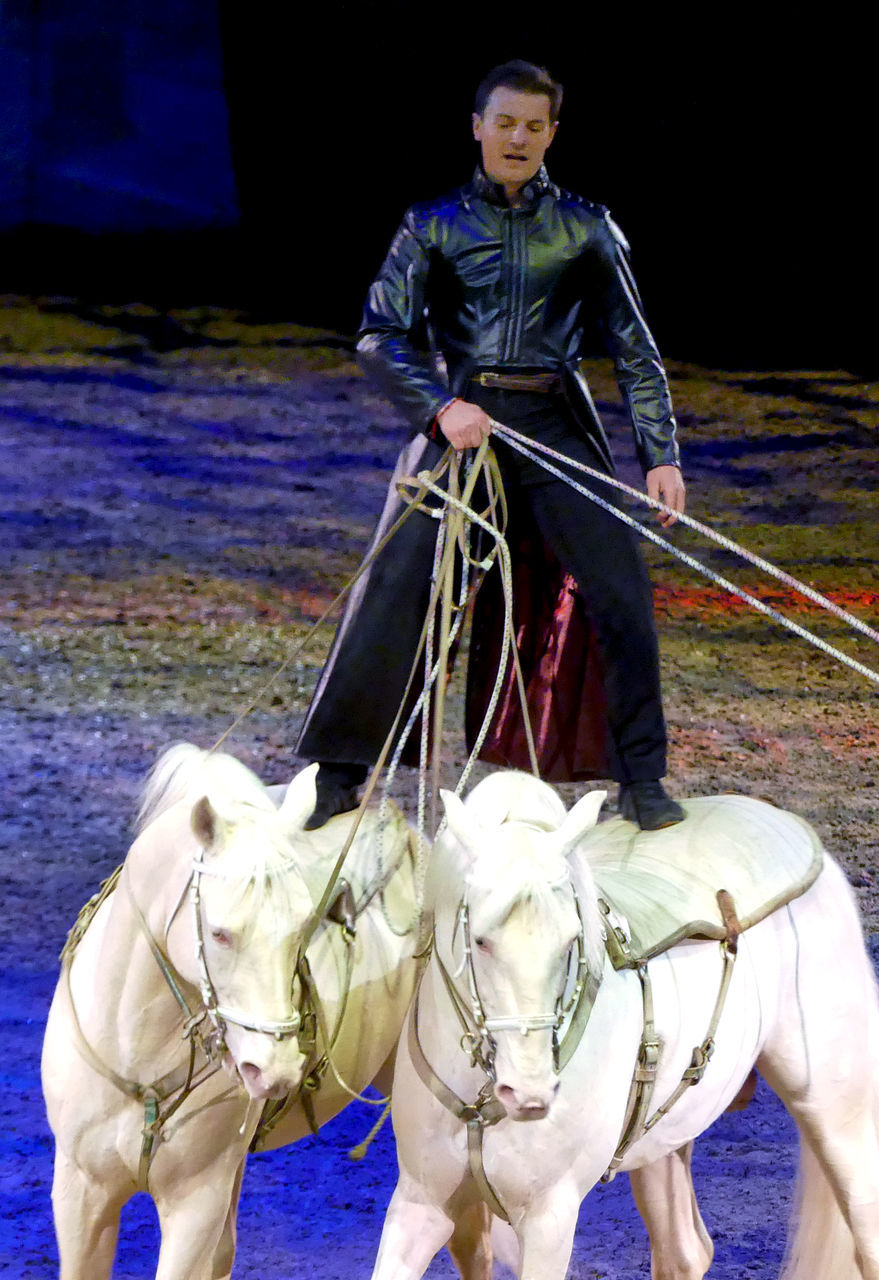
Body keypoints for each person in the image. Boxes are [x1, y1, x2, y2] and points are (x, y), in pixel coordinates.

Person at [295, 59, 686, 830]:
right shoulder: (434, 222)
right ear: (477, 126)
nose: (517, 137)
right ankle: (339, 773)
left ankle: (642, 779)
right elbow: (380, 335)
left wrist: (661, 454)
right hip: (461, 429)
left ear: (552, 135)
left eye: (534, 126)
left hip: (553, 428)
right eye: (504, 122)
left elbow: (635, 348)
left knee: (618, 591)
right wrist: (440, 408)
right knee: (399, 585)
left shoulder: (587, 226)